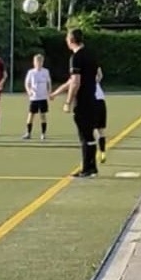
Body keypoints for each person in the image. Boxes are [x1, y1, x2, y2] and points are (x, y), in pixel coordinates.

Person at [51, 28, 99, 177]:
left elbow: (75, 82)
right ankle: (92, 167)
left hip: (83, 100)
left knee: (84, 136)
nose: (66, 41)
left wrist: (68, 101)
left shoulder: (76, 58)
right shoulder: (91, 54)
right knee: (89, 135)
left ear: (71, 40)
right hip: (92, 97)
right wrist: (56, 92)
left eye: (67, 38)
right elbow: (97, 76)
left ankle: (86, 168)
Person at [22, 54, 51, 141]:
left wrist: (49, 92)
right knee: (31, 115)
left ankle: (43, 134)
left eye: (40, 62)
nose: (38, 63)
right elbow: (27, 83)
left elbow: (48, 82)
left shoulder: (46, 71)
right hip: (34, 98)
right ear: (34, 63)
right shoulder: (31, 72)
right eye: (37, 62)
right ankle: (28, 133)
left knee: (43, 115)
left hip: (43, 97)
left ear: (42, 62)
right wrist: (29, 91)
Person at [95, 70, 108, 163]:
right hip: (100, 102)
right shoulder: (92, 79)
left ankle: (101, 152)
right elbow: (100, 75)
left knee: (93, 131)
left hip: (95, 103)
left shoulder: (86, 79)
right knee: (100, 131)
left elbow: (100, 75)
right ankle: (102, 152)